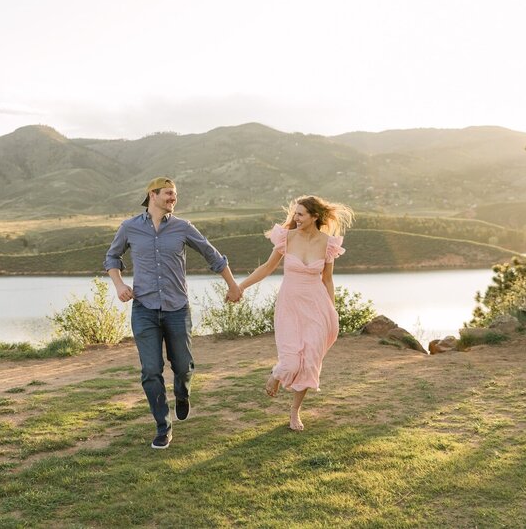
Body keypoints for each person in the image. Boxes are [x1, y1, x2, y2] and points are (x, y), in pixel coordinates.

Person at [104, 177, 241, 449]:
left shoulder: (182, 227)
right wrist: (119, 284)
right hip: (144, 309)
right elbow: (112, 257)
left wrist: (233, 284)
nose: (173, 199)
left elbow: (212, 255)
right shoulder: (130, 227)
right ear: (152, 195)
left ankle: (182, 393)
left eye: (174, 195)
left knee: (183, 366)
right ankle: (162, 427)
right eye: (168, 194)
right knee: (151, 371)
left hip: (177, 309)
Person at [237, 195, 353, 431]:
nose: (295, 218)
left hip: (317, 306)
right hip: (290, 305)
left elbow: (327, 279)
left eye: (300, 214)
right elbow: (267, 268)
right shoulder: (286, 238)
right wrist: (241, 287)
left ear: (314, 216)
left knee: (310, 361)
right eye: (295, 214)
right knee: (291, 362)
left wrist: (331, 309)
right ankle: (277, 373)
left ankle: (294, 412)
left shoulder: (328, 243)